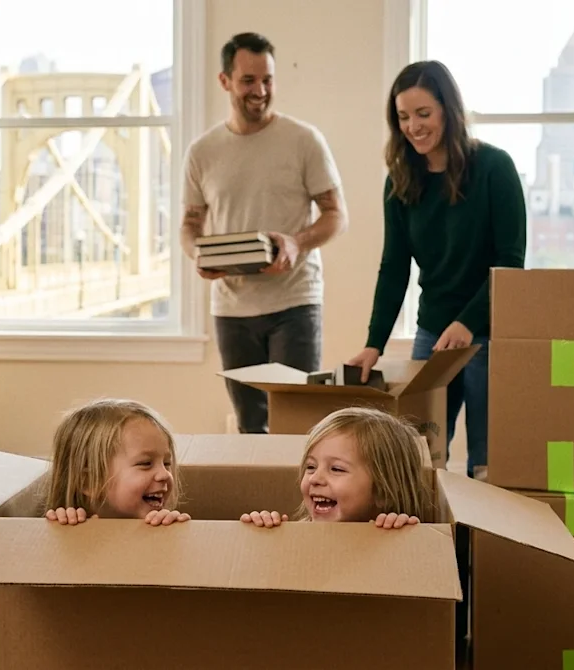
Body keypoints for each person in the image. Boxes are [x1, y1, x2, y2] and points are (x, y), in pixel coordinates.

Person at [347, 60, 527, 480]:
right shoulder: (400, 182)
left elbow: (510, 261)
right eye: (404, 117)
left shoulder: (494, 168)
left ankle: (480, 545)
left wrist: (468, 321)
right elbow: (393, 269)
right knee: (422, 457)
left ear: (448, 110)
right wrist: (374, 344)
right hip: (433, 333)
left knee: (486, 463)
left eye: (423, 114)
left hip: (487, 330)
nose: (413, 126)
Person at [181, 32, 348, 434]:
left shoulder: (303, 140)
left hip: (294, 303)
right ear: (225, 81)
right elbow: (189, 226)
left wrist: (297, 242)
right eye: (248, 81)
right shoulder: (202, 152)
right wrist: (197, 256)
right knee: (250, 424)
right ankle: (258, 500)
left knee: (297, 425)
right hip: (232, 309)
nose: (260, 91)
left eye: (268, 80)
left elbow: (336, 214)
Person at [239, 406, 433, 529]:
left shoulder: (393, 531)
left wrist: (403, 534)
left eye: (336, 469)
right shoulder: (296, 532)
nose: (315, 479)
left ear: (383, 493)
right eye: (311, 466)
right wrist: (263, 530)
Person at [43, 398, 190, 526]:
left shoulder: (162, 522)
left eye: (166, 463)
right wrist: (63, 528)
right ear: (87, 482)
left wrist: (172, 530)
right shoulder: (69, 523)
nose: (165, 474)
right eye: (146, 463)